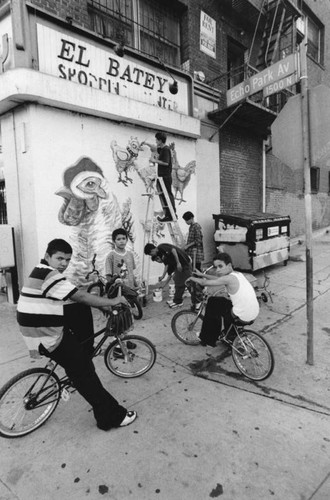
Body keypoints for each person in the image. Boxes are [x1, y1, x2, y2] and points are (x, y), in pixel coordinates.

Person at [16, 238, 137, 430]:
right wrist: (113, 301)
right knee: (84, 373)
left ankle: (83, 353)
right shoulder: (50, 275)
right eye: (59, 258)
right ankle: (110, 417)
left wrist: (101, 305)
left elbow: (75, 299)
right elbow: (79, 295)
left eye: (67, 259)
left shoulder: (41, 270)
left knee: (80, 308)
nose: (64, 263)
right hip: (45, 334)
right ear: (48, 256)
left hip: (36, 326)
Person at [188, 252, 259, 347]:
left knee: (212, 303)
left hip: (242, 316)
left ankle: (208, 339)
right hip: (253, 313)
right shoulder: (237, 274)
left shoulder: (229, 278)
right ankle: (230, 335)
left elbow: (204, 283)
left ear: (229, 265)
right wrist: (202, 274)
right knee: (226, 303)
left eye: (220, 266)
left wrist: (191, 278)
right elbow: (217, 278)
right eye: (216, 267)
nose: (217, 270)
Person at [144, 242, 191, 308]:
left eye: (150, 254)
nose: (151, 255)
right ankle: (177, 301)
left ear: (152, 250)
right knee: (178, 281)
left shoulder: (161, 246)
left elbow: (173, 250)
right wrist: (163, 285)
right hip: (179, 266)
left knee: (187, 282)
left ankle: (196, 300)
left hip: (183, 263)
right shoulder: (164, 256)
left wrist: (178, 263)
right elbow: (168, 271)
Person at [143, 132, 176, 222]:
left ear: (160, 140)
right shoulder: (162, 149)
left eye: (157, 140)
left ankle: (172, 214)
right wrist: (146, 143)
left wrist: (154, 160)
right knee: (165, 196)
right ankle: (169, 215)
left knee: (168, 195)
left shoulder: (166, 149)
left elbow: (166, 162)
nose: (156, 141)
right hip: (162, 176)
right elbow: (155, 148)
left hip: (165, 176)